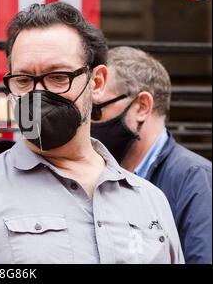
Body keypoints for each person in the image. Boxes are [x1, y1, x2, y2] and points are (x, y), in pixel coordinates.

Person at [0, 2, 184, 264]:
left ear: (97, 82)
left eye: (58, 77)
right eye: (23, 80)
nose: (38, 94)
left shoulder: (150, 201)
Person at [91, 46, 212, 264]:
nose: (88, 123)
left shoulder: (194, 179)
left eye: (96, 111)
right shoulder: (99, 176)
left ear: (142, 107)